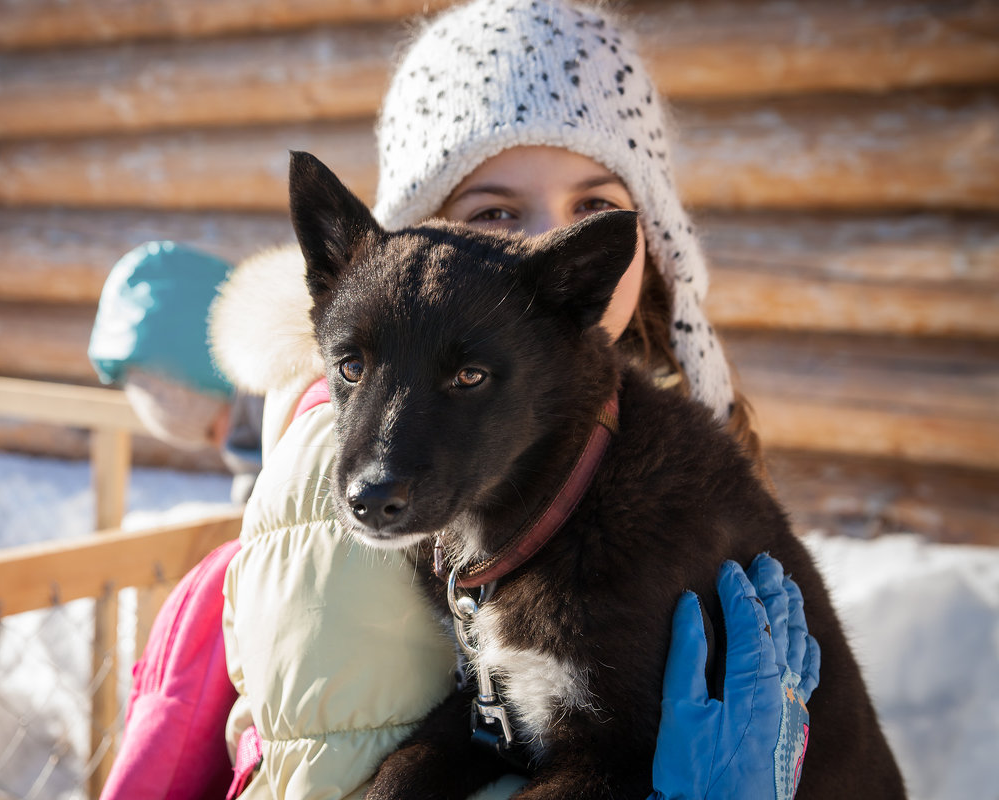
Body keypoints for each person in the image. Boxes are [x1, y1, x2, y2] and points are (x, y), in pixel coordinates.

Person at [102, 1, 819, 798]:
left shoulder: (648, 440)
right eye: (495, 213)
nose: (548, 242)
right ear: (418, 227)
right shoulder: (341, 493)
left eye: (594, 207)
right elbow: (336, 762)